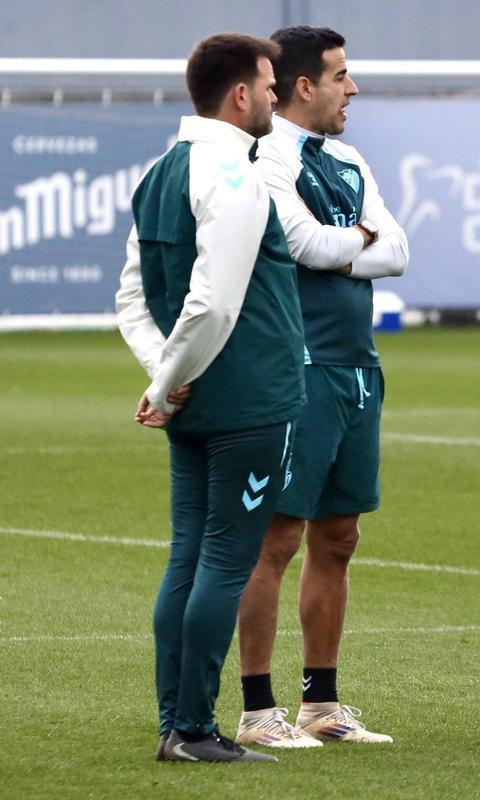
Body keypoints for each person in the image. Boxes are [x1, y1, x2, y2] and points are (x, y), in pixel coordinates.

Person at [114, 32, 305, 763]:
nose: (274, 95)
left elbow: (131, 297)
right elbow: (215, 303)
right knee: (225, 562)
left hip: (193, 401)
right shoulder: (236, 174)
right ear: (241, 95)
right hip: (249, 399)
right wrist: (167, 381)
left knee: (188, 558)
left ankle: (176, 723)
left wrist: (164, 380)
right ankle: (194, 730)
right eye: (268, 84)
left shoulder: (161, 171)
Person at [234, 25, 408, 748]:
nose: (353, 88)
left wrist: (356, 249)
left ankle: (321, 705)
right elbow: (300, 243)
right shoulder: (265, 155)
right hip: (297, 371)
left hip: (357, 370)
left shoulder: (347, 156)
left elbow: (398, 250)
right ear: (304, 86)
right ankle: (255, 712)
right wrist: (358, 244)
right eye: (342, 75)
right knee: (276, 540)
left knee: (340, 536)